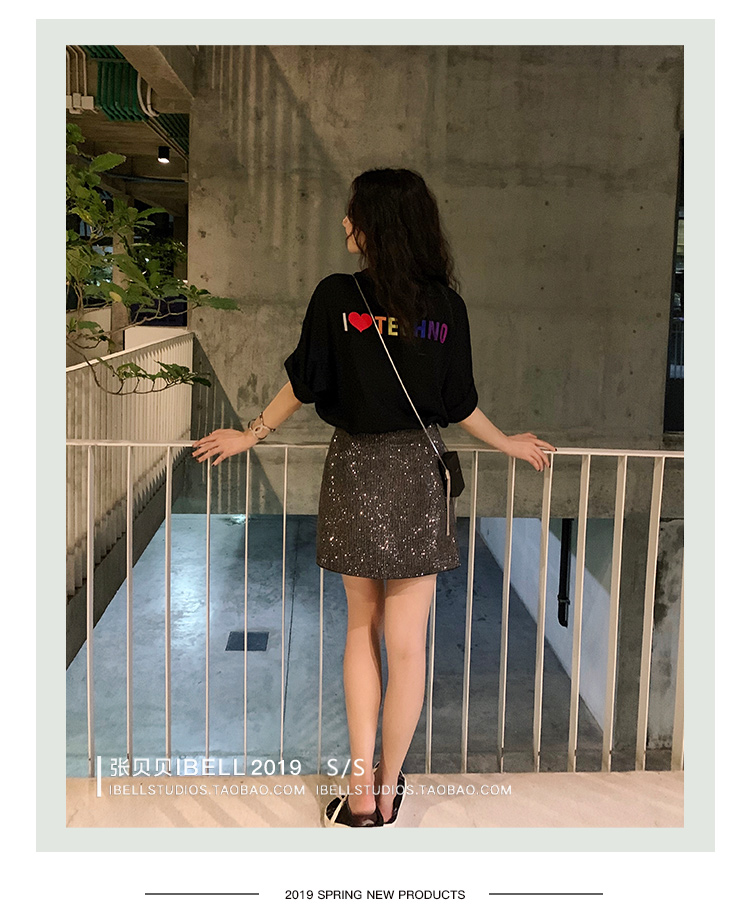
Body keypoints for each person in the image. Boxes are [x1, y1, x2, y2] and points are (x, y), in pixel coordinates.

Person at [192, 168, 556, 828]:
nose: (344, 222)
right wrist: (506, 442)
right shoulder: (445, 307)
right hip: (418, 474)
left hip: (356, 469)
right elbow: (458, 403)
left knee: (361, 628)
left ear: (375, 224)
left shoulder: (338, 296)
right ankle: (388, 793)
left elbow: (305, 383)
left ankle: (358, 796)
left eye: (352, 212)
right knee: (408, 644)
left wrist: (252, 433)